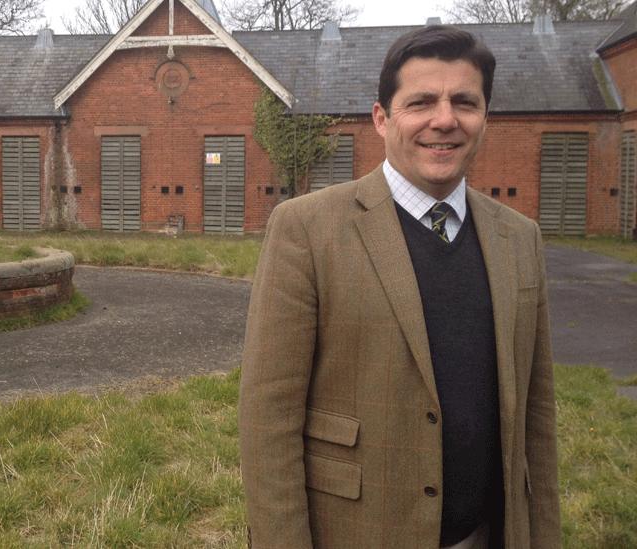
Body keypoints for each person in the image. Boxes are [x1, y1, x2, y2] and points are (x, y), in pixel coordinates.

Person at [238, 26, 560, 549]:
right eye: (421, 102)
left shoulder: (520, 238)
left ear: (485, 119)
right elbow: (268, 419)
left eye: (464, 102)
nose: (445, 119)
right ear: (382, 118)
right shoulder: (307, 229)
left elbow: (537, 419)